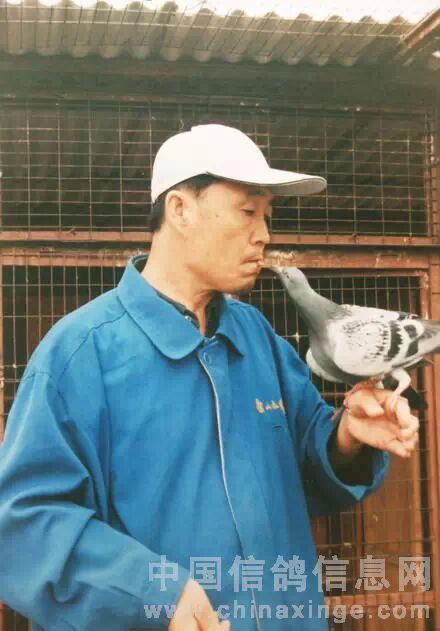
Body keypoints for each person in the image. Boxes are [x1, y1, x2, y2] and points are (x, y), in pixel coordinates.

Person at [0, 124, 419, 631]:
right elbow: (24, 525)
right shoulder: (81, 354)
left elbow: (306, 464)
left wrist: (348, 437)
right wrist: (154, 593)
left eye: (267, 216)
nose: (264, 234)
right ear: (180, 210)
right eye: (247, 211)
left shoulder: (254, 335)